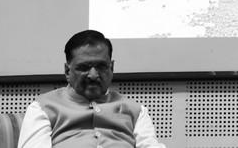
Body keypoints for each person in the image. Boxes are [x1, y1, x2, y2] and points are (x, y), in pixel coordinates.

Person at [17, 30, 166, 148]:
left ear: (112, 68)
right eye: (84, 67)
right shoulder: (43, 107)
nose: (93, 75)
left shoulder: (136, 110)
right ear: (67, 71)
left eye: (101, 66)